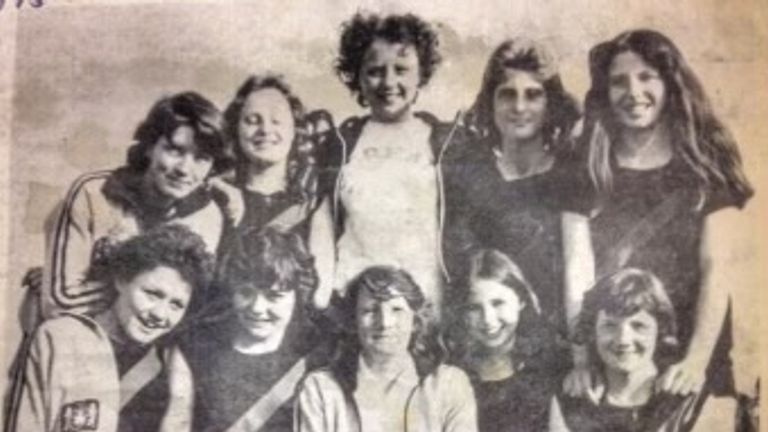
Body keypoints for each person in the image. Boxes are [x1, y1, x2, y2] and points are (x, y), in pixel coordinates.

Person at [565, 29, 754, 398]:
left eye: (646, 77)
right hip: (615, 357)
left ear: (670, 83)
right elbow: (577, 268)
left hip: (689, 360)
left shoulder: (704, 163)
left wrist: (696, 362)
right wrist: (583, 361)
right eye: (619, 82)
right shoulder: (587, 164)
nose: (633, 92)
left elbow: (717, 267)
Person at [442, 37, 592, 370]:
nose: (519, 107)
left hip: (550, 350)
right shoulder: (469, 173)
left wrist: (581, 358)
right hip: (483, 345)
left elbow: (577, 270)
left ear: (550, 102)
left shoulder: (569, 173)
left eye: (533, 95)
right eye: (507, 94)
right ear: (490, 103)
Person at [315, 13, 459, 315]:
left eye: (401, 69)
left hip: (427, 301)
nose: (389, 82)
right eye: (375, 71)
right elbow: (323, 228)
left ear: (421, 74)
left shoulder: (446, 142)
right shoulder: (340, 144)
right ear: (358, 76)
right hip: (355, 301)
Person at [39, 91, 229, 319]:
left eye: (201, 158)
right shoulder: (93, 192)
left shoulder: (207, 217)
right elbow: (58, 304)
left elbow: (184, 310)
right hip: (84, 337)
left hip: (150, 344)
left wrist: (118, 289)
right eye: (175, 150)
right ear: (150, 147)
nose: (184, 169)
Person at [7, 225, 215, 432]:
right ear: (122, 280)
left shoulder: (171, 370)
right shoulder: (60, 338)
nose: (160, 314)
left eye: (176, 305)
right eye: (152, 294)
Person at [549, 268, 737, 431]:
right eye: (609, 326)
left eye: (638, 326)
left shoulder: (689, 404)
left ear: (660, 329)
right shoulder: (572, 404)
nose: (623, 339)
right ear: (592, 331)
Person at [295, 266, 478, 432]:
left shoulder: (449, 385)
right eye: (370, 310)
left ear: (415, 319)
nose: (384, 323)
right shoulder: (320, 389)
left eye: (397, 310)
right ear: (353, 321)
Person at [184, 227, 329, 432]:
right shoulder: (199, 348)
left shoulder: (318, 356)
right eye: (246, 292)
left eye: (273, 296)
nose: (257, 308)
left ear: (298, 295)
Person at [210, 74, 335, 309]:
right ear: (235, 129)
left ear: (295, 130)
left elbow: (320, 297)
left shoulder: (312, 204)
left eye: (276, 121)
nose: (265, 129)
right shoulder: (216, 197)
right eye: (252, 120)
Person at [447, 249, 558, 432]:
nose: (488, 320)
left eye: (498, 303)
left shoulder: (547, 366)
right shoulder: (453, 375)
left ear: (521, 301)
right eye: (474, 307)